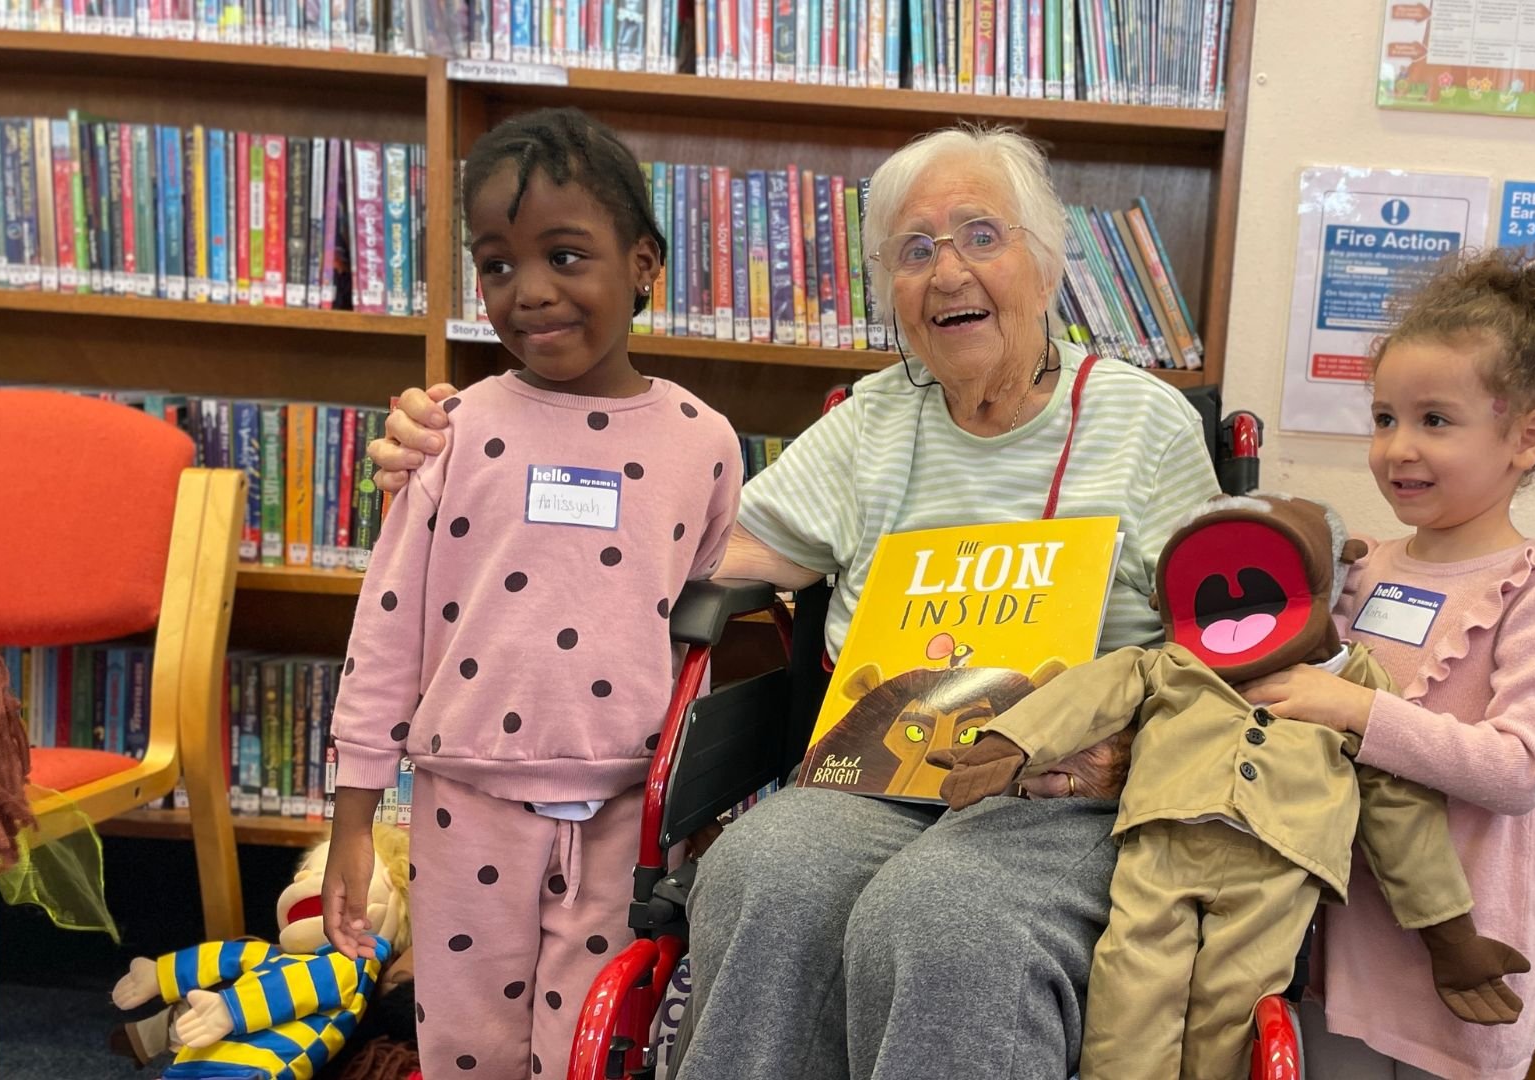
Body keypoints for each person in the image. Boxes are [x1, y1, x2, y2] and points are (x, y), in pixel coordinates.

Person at [362, 124, 1222, 1079]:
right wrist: (461, 462)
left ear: (1047, 263)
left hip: (1059, 789)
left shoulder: (1143, 423)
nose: (948, 274)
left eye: (982, 236)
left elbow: (1222, 638)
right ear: (888, 287)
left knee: (947, 917)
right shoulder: (871, 423)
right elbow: (689, 551)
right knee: (761, 872)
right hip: (880, 777)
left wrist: (1126, 748)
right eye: (915, 250)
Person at [321, 106, 742, 1080]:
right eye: (498, 264)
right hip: (467, 801)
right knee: (465, 1049)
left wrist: (699, 803)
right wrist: (350, 822)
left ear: (643, 262)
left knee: (599, 1047)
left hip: (624, 814)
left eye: (565, 255)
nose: (530, 293)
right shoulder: (453, 432)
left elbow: (706, 644)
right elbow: (384, 630)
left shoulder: (703, 445)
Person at [1240, 247, 1535, 1079]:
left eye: (1436, 421)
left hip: (1460, 966)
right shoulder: (1364, 567)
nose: (1398, 449)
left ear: (1527, 436)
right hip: (1337, 952)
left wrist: (1355, 711)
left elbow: (1518, 767)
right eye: (1385, 419)